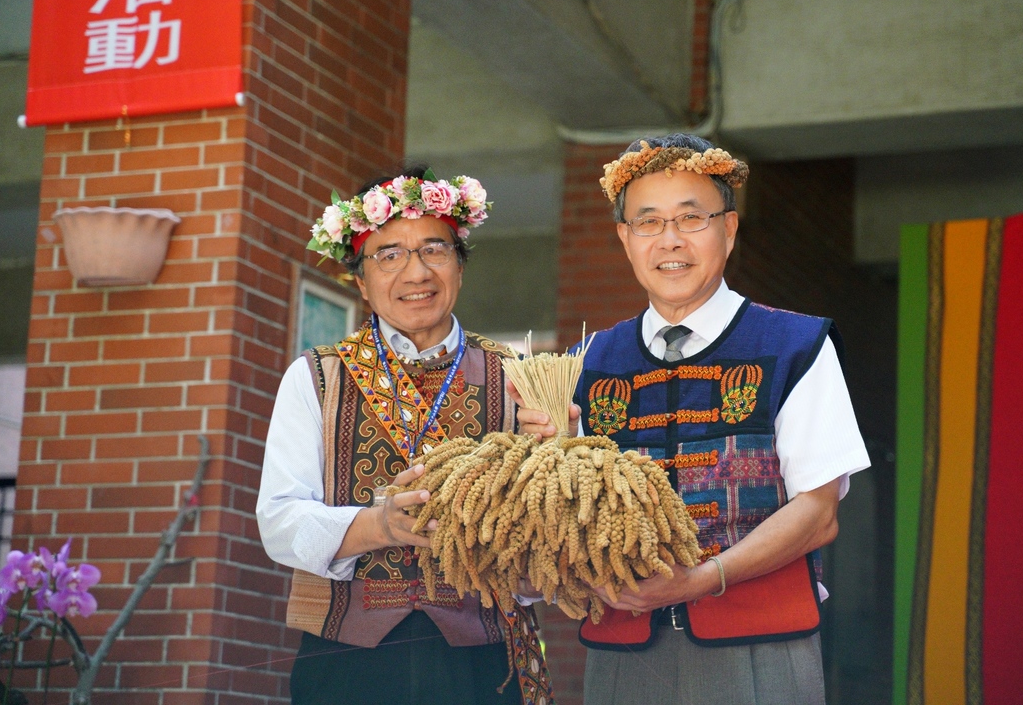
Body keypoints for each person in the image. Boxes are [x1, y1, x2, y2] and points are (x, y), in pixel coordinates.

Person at [515, 134, 870, 705]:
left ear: (728, 230)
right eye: (649, 222)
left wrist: (703, 579)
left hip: (761, 647)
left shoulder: (796, 344)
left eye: (692, 218)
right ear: (625, 240)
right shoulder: (587, 364)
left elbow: (818, 513)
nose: (671, 240)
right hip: (623, 654)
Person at [257, 165, 551, 705]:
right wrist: (378, 526)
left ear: (460, 267)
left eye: (434, 250)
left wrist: (562, 459)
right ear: (361, 280)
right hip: (347, 659)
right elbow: (279, 521)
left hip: (483, 657)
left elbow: (547, 543)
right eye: (389, 255)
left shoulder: (520, 373)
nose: (416, 272)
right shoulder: (317, 376)